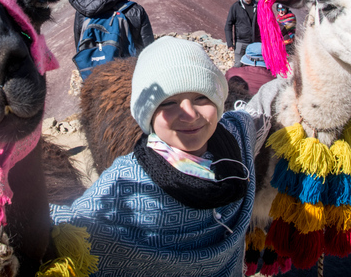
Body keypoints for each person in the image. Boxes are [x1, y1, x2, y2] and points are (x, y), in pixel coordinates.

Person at [50, 36, 270, 276]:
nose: (189, 113)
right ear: (147, 114)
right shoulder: (124, 186)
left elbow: (261, 107)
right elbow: (69, 228)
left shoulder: (235, 138)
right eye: (168, 102)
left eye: (201, 97)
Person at [225, 0, 260, 67]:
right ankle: (232, 80)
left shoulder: (258, 6)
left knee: (253, 66)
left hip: (254, 43)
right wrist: (230, 43)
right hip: (241, 43)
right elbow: (228, 25)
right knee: (238, 65)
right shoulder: (236, 7)